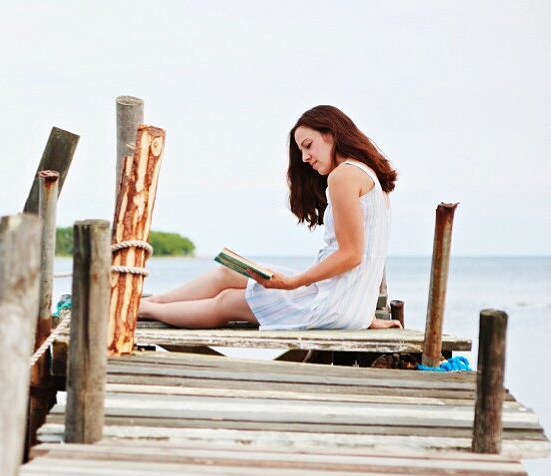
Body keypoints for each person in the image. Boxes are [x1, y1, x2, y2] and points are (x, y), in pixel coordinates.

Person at [138, 105, 401, 330]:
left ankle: (144, 310)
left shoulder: (343, 176)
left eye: (308, 146)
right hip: (345, 305)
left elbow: (352, 254)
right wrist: (362, 312)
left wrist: (293, 283)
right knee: (228, 273)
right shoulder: (370, 179)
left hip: (331, 306)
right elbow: (368, 257)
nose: (305, 157)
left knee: (227, 301)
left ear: (332, 133)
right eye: (301, 150)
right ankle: (152, 302)